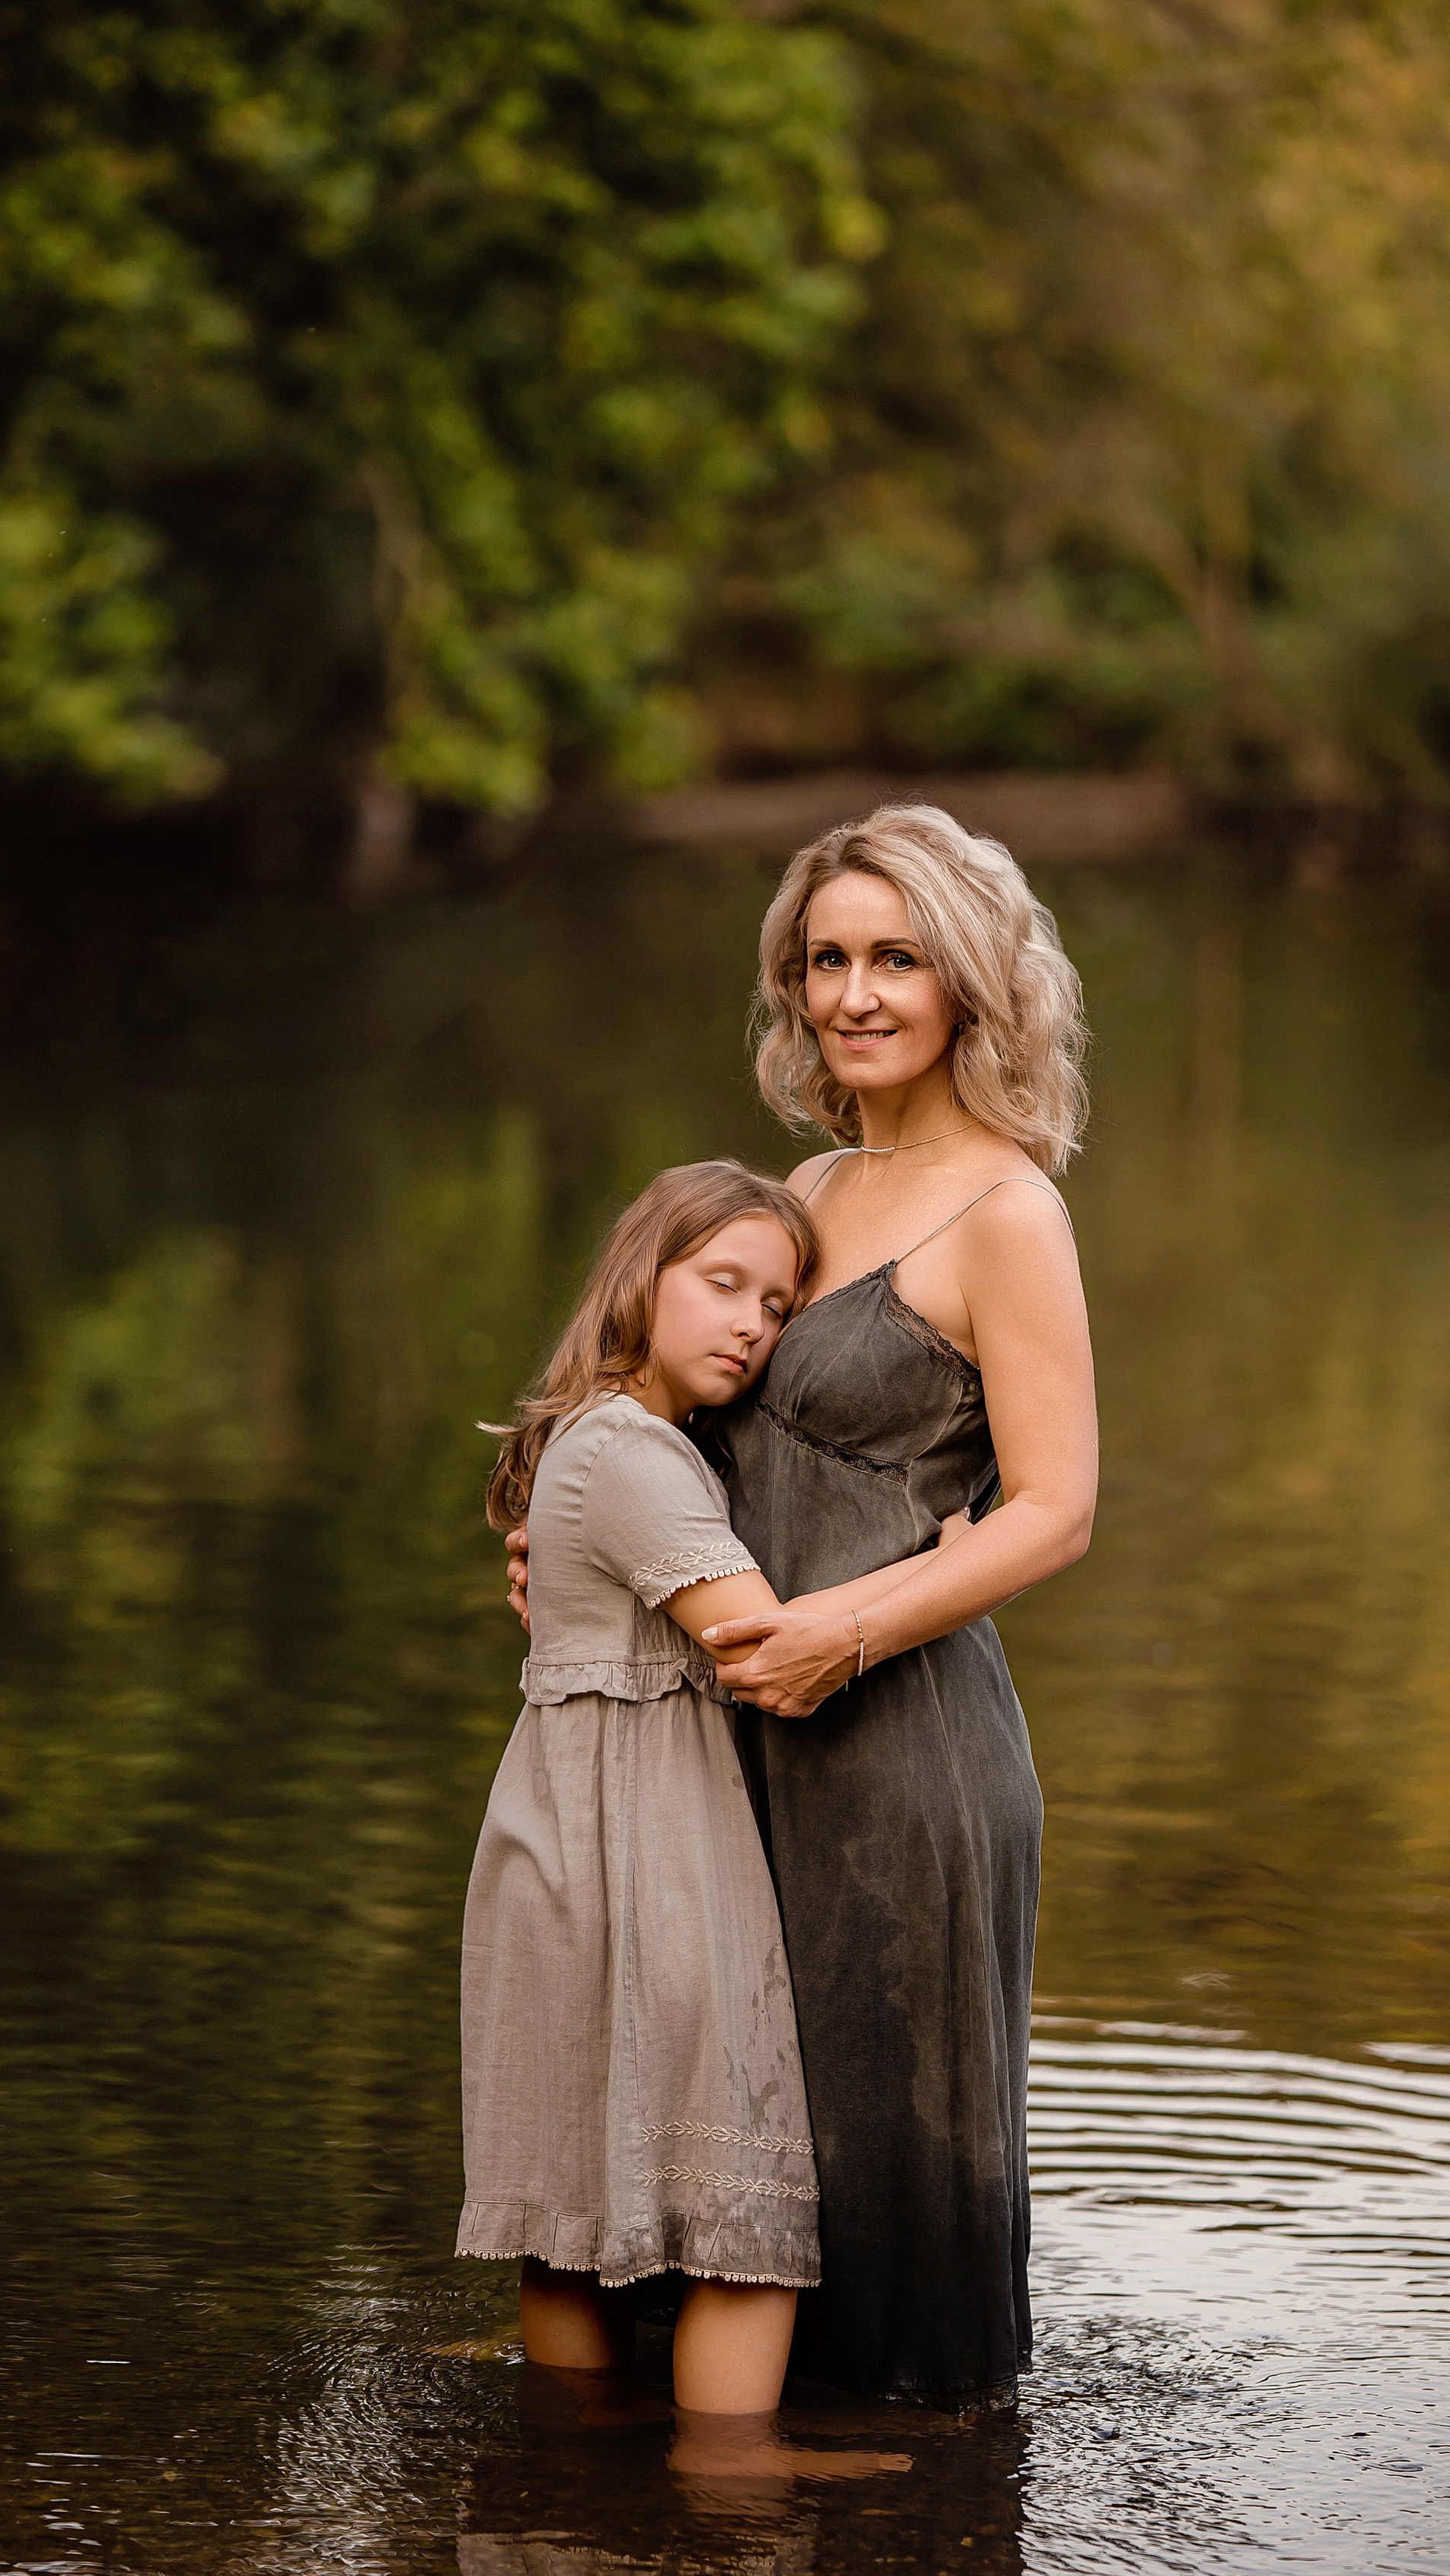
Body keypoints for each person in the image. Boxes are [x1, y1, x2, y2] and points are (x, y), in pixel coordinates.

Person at [508, 804, 1097, 2406]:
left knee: (872, 2134)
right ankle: (699, 2495)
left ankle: (915, 2532)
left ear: (969, 982)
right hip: (727, 1731)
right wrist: (557, 1550)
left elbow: (1051, 1512)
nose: (852, 995)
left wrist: (842, 1629)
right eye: (825, 959)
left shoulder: (1009, 1211)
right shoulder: (808, 1181)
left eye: (894, 958)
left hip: (899, 1747)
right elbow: (678, 1423)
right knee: (726, 2123)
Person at [461, 1159, 915, 2471]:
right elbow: (762, 1644)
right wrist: (936, 1570)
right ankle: (730, 2475)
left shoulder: (596, 1440)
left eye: (776, 1308)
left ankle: (574, 2461)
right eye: (722, 1285)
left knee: (569, 2212)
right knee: (743, 2203)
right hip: (640, 1849)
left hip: (565, 1840)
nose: (751, 1328)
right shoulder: (634, 1453)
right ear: (639, 1278)